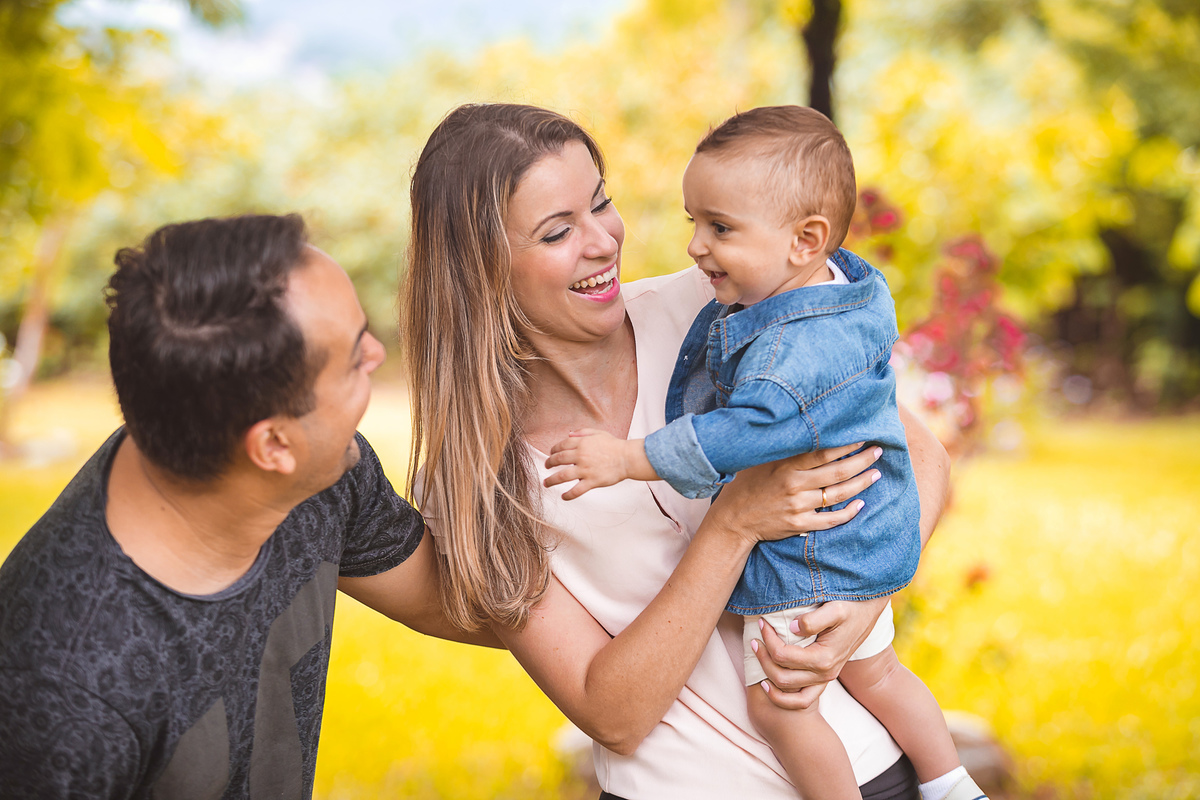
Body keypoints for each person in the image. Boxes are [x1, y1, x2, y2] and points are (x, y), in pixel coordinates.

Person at [401, 102, 953, 800]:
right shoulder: (475, 479)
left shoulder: (726, 307)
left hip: (871, 771)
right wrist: (734, 522)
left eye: (601, 203)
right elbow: (614, 715)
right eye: (558, 231)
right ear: (478, 267)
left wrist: (865, 604)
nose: (603, 241)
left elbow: (920, 459)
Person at [544, 105, 986, 800]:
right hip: (850, 553)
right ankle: (952, 782)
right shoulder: (832, 293)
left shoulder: (774, 344)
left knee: (782, 707)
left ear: (805, 240)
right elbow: (613, 715)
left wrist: (625, 459)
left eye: (719, 228)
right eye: (693, 221)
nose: (696, 247)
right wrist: (868, 575)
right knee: (880, 674)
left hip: (811, 571)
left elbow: (746, 433)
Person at [0, 214, 488, 798]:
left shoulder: (320, 475)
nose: (380, 353)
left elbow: (454, 602)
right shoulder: (63, 689)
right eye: (355, 359)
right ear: (273, 445)